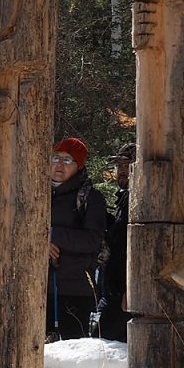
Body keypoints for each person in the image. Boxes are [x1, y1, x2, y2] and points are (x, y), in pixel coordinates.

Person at [47, 138, 108, 341]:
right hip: (35, 286)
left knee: (69, 353)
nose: (59, 165)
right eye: (56, 158)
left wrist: (51, 234)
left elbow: (92, 240)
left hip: (74, 289)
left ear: (79, 166)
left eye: (67, 160)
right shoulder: (36, 193)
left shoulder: (90, 197)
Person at [96, 142, 134, 341]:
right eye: (119, 166)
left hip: (127, 297)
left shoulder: (143, 203)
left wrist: (131, 290)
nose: (122, 171)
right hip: (112, 292)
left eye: (128, 165)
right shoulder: (125, 199)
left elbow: (140, 251)